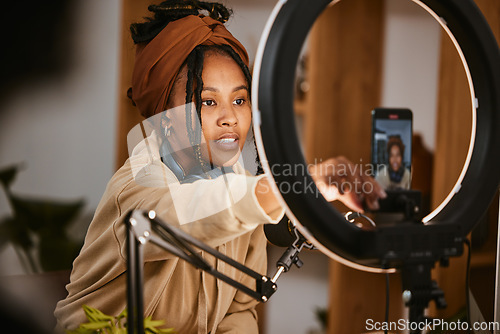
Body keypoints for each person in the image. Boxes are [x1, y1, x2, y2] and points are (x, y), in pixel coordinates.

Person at [54, 1, 386, 333]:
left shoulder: (239, 189)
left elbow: (238, 311)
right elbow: (191, 211)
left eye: (239, 100)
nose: (230, 117)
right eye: (208, 101)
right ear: (165, 117)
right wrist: (295, 184)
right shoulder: (137, 186)